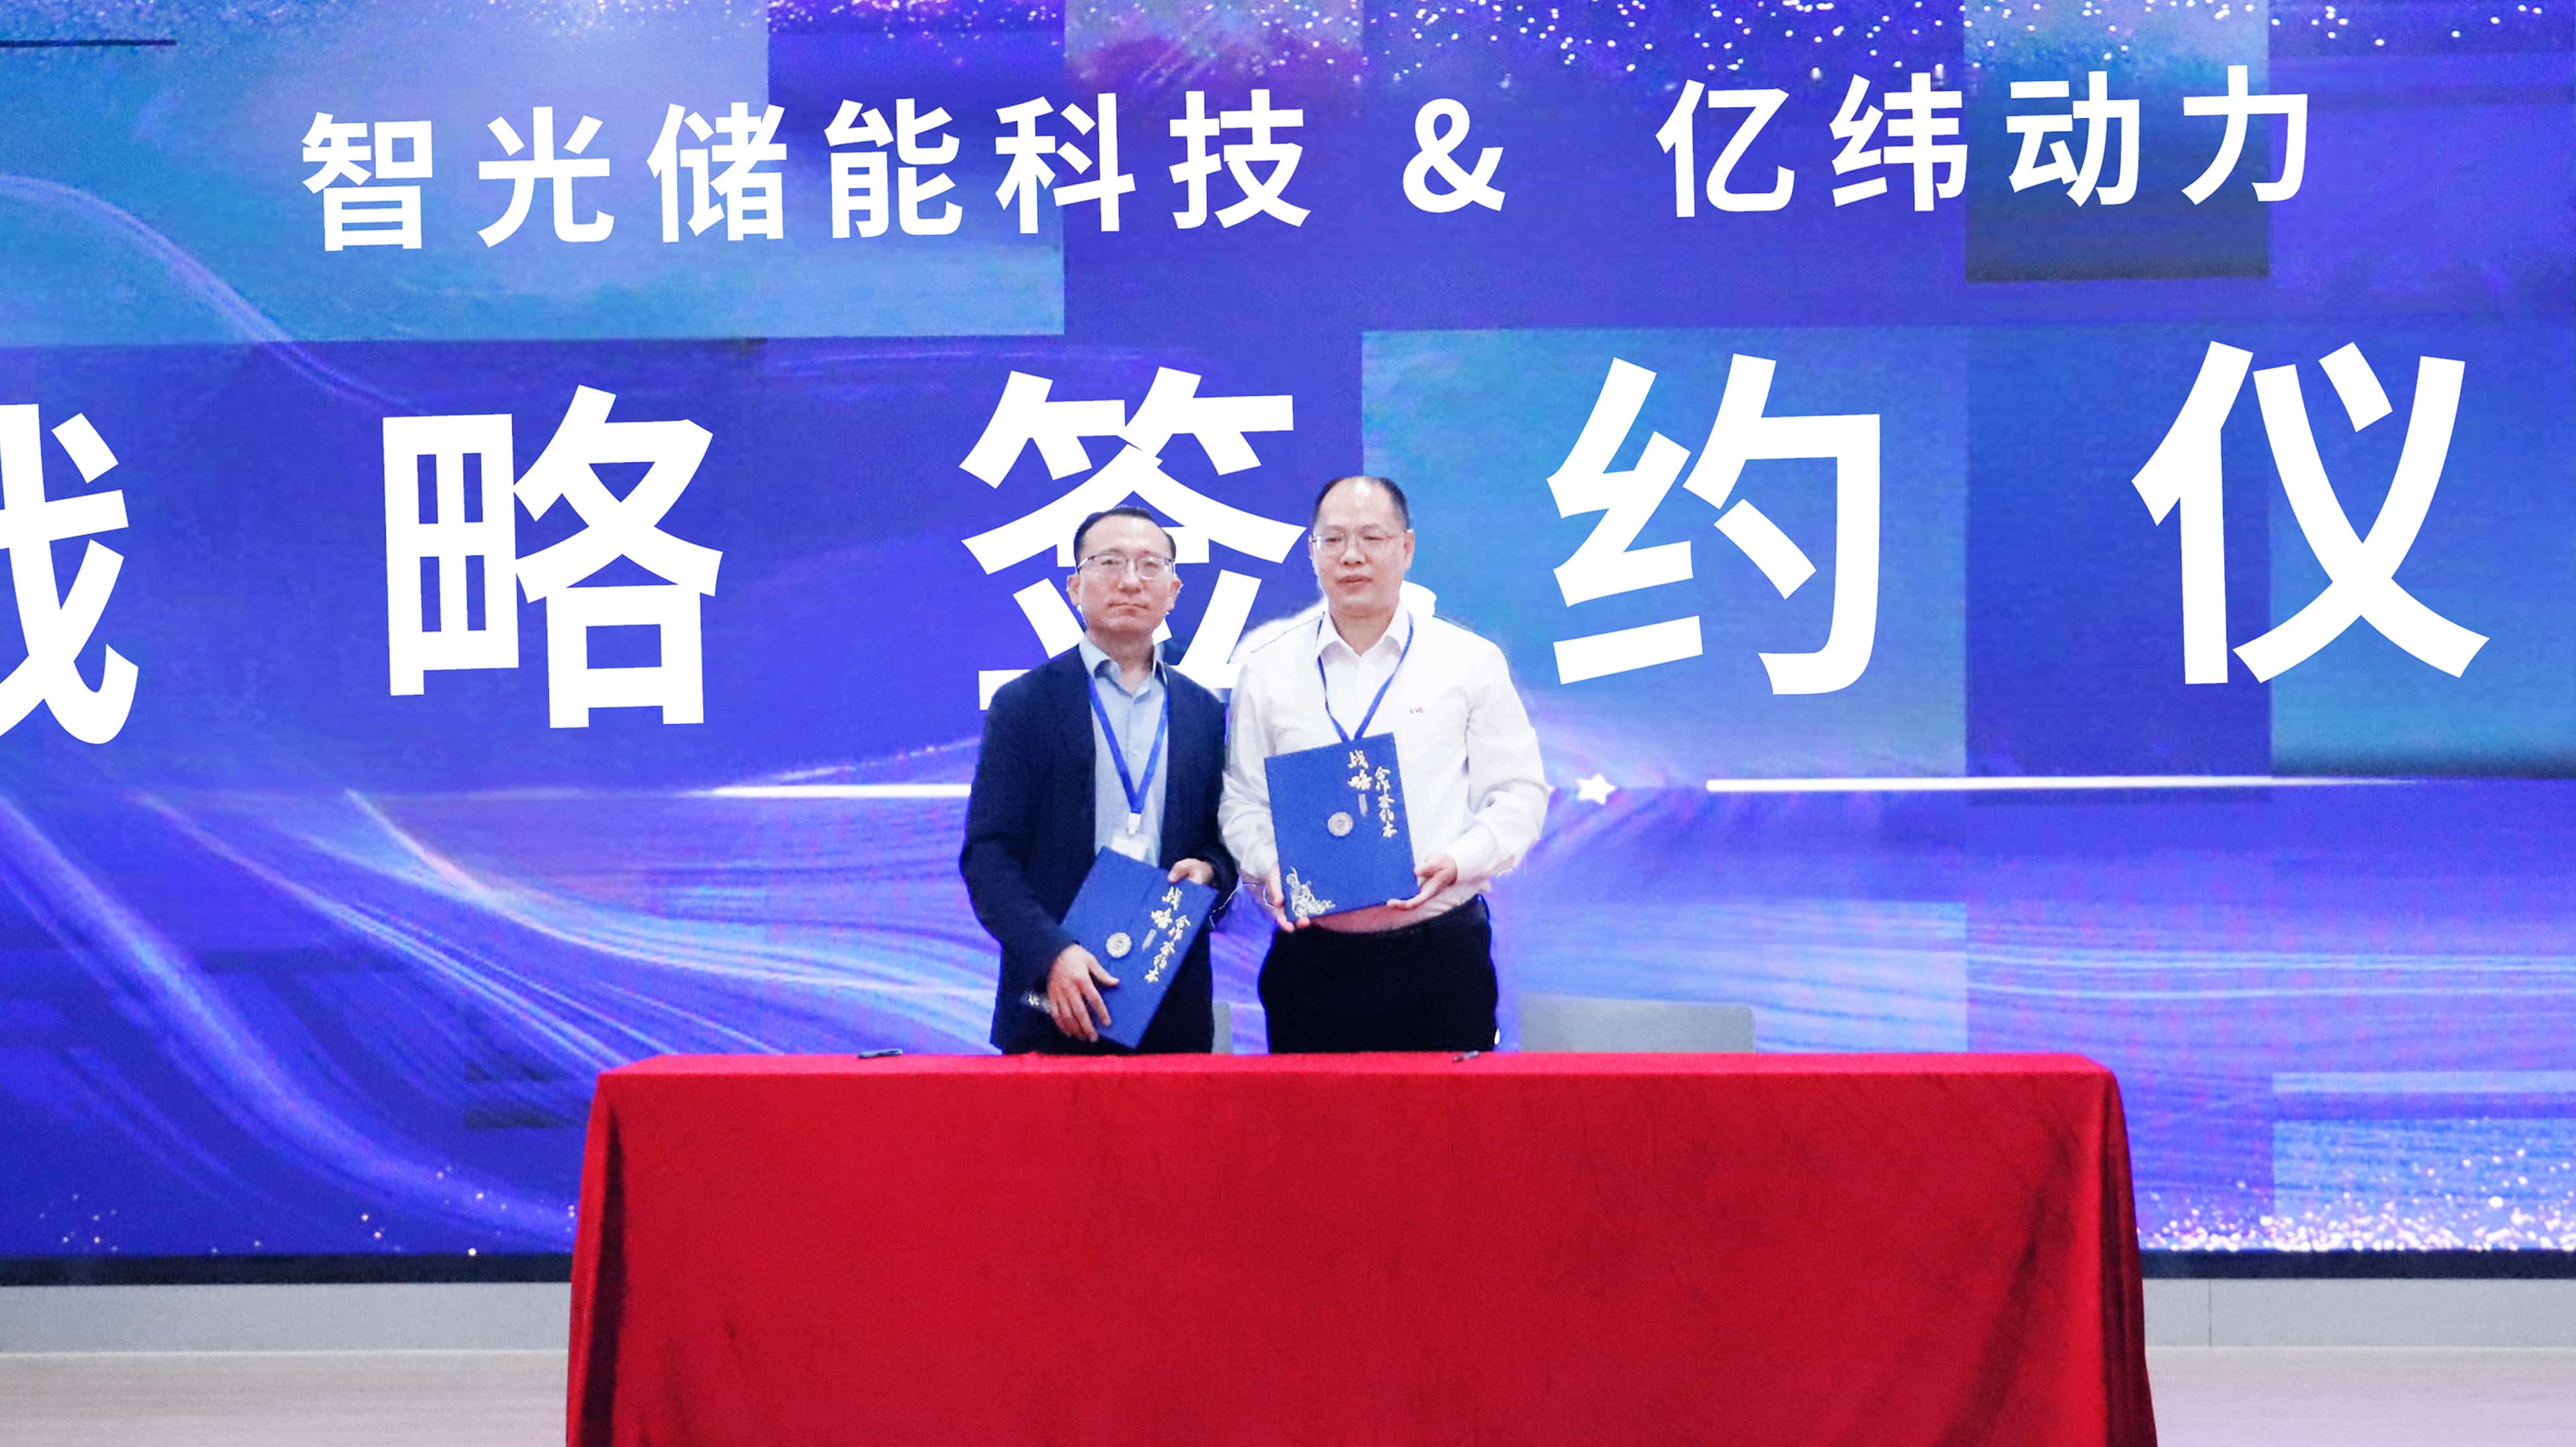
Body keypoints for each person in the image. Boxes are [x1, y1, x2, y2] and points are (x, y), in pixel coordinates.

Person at [1220, 475, 1548, 1052]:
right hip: (1312, 961)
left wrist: (1459, 860)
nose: (1352, 556)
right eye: (1334, 539)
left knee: (1449, 1113)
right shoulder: (1267, 671)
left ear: (1407, 547)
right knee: (1311, 1114)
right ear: (1312, 552)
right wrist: (1269, 866)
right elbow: (1243, 800)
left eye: (1372, 537)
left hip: (1440, 954)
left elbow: (1519, 794)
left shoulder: (1468, 662)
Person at [962, 506, 1236, 1053]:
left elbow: (1224, 838)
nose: (1130, 581)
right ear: (1075, 587)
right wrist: (1051, 954)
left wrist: (1211, 870)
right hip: (1053, 1001)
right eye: (1109, 562)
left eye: (1150, 565)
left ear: (1174, 591)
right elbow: (988, 855)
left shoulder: (1202, 712)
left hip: (1170, 1001)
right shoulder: (1024, 705)